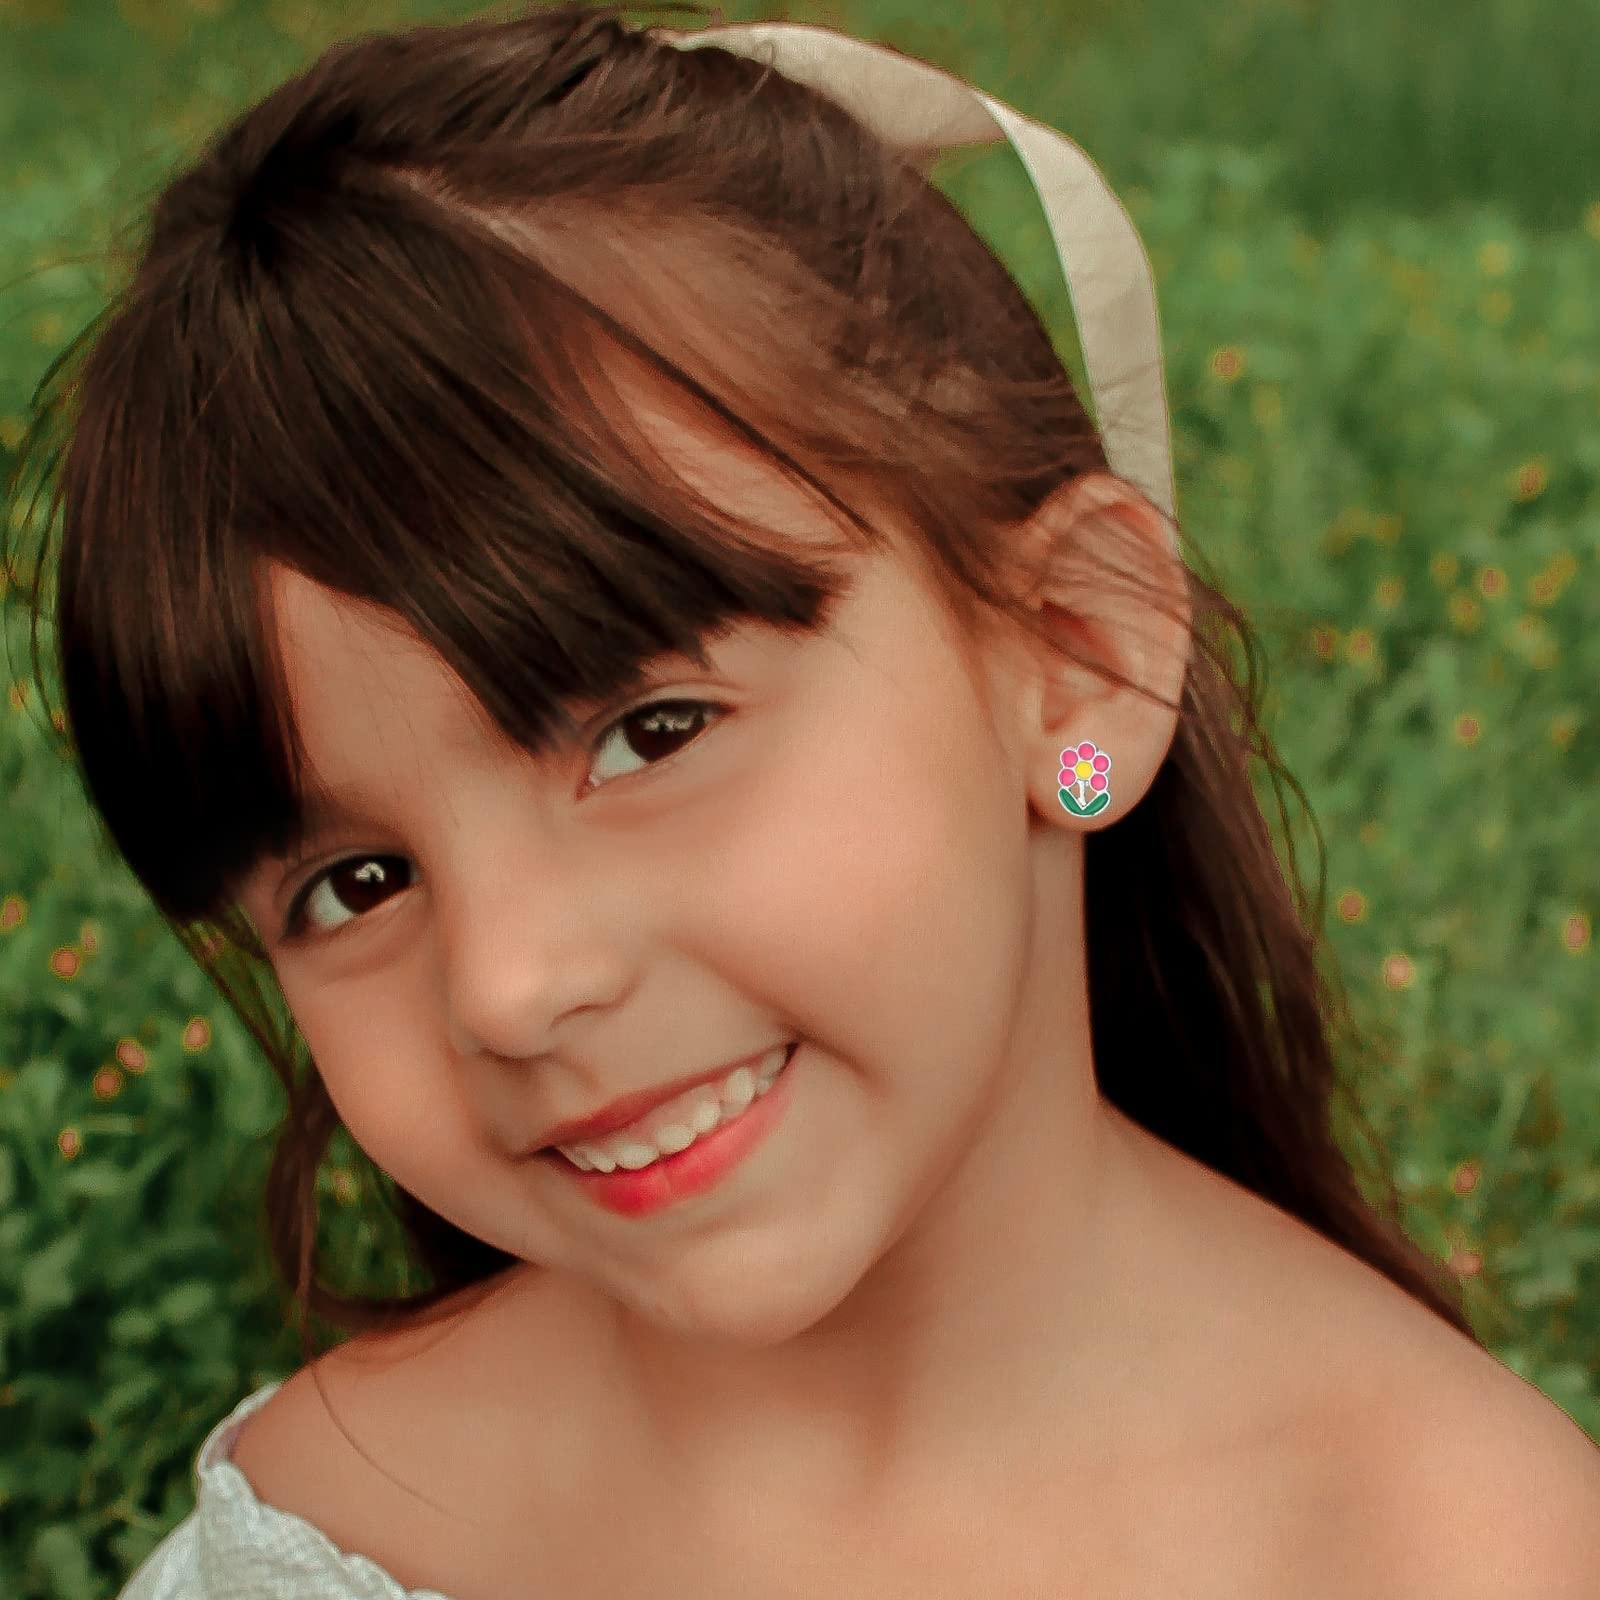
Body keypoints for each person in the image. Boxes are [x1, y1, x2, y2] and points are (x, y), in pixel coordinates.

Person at [7, 4, 1595, 1596]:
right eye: (356, 885)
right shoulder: (327, 1513)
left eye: (650, 735)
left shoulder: (1460, 1557)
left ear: (1078, 661)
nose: (509, 985)